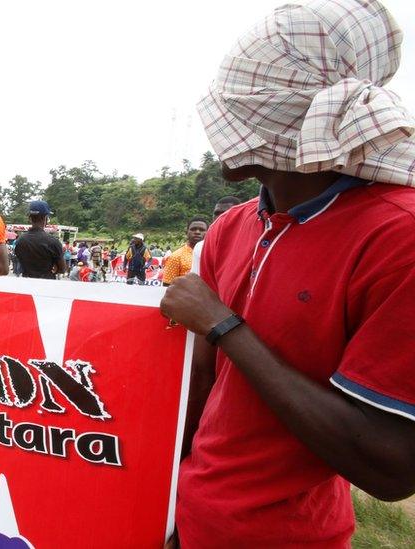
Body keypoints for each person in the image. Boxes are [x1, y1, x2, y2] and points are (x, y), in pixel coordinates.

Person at [160, 2, 415, 547]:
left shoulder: (397, 238)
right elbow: (203, 382)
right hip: (192, 517)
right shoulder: (233, 226)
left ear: (286, 126)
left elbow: (391, 468)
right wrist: (169, 497)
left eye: (238, 111)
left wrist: (225, 325)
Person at [13, 200, 66, 279]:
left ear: (30, 218)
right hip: (46, 286)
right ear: (45, 218)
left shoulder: (20, 241)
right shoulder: (53, 241)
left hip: (27, 285)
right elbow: (62, 269)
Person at [193, 196, 244, 273]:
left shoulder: (252, 244)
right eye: (216, 213)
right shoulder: (201, 247)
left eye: (226, 213)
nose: (220, 217)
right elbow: (196, 278)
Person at [161, 217, 208, 286]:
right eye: (193, 229)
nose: (197, 232)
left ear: (209, 232)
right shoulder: (176, 256)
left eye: (202, 230)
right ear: (186, 233)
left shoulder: (214, 255)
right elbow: (167, 285)